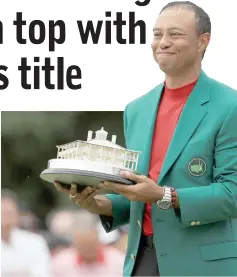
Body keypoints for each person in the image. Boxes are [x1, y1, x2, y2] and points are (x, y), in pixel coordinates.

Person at [54, 1, 237, 276]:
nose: (162, 42)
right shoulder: (136, 110)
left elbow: (232, 193)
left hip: (202, 265)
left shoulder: (229, 106)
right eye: (157, 34)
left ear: (203, 41)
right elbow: (140, 192)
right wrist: (98, 204)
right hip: (143, 260)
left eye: (175, 34)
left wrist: (165, 195)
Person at [1, 189, 52, 277]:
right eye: (2, 213)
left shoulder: (35, 242)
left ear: (17, 214)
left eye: (9, 213)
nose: (6, 219)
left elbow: (43, 272)